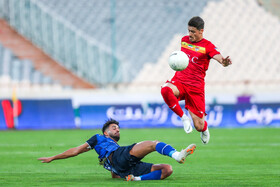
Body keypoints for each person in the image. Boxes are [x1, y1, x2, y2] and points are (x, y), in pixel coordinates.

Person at [38, 119, 196, 181]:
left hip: (126, 167)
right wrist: (53, 157)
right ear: (106, 133)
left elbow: (113, 172)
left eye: (119, 128)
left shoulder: (113, 148)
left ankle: (135, 179)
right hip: (120, 158)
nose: (118, 129)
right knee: (153, 144)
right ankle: (177, 154)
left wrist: (117, 172)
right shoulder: (98, 138)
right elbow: (76, 150)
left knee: (167, 170)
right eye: (114, 128)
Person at [161, 16, 232, 144]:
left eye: (193, 31)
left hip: (195, 88)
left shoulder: (208, 46)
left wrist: (224, 62)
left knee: (199, 126)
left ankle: (204, 128)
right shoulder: (184, 41)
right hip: (180, 82)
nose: (190, 34)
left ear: (201, 31)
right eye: (189, 30)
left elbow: (219, 58)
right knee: (165, 90)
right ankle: (183, 118)